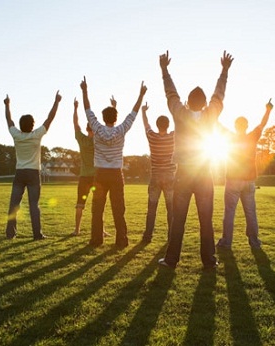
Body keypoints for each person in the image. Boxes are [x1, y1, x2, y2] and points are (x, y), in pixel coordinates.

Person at [157, 50, 234, 269]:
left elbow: (171, 95)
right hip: (204, 173)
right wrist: (224, 71)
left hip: (183, 173)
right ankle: (209, 261)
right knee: (205, 220)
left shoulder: (181, 114)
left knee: (178, 220)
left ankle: (171, 260)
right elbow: (218, 96)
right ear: (203, 102)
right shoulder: (210, 115)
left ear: (188, 102)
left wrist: (164, 70)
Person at [80, 76, 147, 248]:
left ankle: (96, 240)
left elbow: (87, 109)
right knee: (118, 209)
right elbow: (133, 113)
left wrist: (85, 90)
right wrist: (140, 95)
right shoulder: (121, 129)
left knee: (97, 209)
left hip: (100, 174)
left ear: (102, 118)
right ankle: (121, 240)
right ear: (116, 118)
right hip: (116, 174)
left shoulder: (96, 127)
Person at [216, 99, 274, 250]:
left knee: (229, 213)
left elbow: (216, 124)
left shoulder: (229, 137)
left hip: (233, 181)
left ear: (235, 126)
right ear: (247, 126)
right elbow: (263, 123)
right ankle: (254, 242)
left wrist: (213, 110)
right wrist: (268, 110)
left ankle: (226, 242)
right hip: (249, 182)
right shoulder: (252, 136)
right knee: (250, 213)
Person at [4, 91, 61, 240]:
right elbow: (50, 118)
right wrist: (56, 102)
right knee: (34, 205)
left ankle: (10, 234)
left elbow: (9, 120)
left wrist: (7, 105)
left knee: (14, 205)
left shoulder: (16, 135)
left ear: (21, 126)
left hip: (20, 173)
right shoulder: (37, 135)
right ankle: (37, 234)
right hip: (33, 173)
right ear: (33, 125)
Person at [72, 96, 116, 236]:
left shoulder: (81, 139)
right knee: (99, 206)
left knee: (80, 204)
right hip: (97, 177)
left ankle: (77, 230)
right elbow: (111, 129)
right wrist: (113, 107)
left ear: (86, 129)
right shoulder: (99, 139)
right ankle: (101, 231)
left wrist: (75, 108)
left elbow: (75, 124)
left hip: (84, 177)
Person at [140, 102, 176, 243]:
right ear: (168, 126)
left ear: (157, 125)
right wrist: (180, 111)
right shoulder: (173, 137)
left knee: (152, 209)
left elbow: (146, 125)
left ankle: (147, 236)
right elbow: (181, 125)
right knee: (171, 209)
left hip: (155, 177)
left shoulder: (152, 137)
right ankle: (171, 236)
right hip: (170, 176)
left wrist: (144, 112)